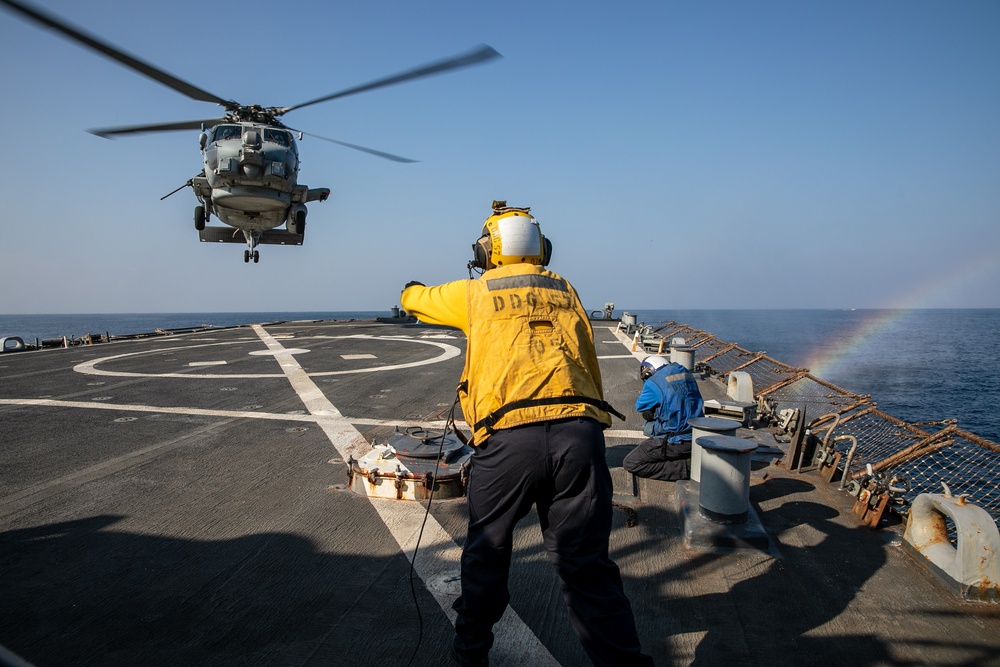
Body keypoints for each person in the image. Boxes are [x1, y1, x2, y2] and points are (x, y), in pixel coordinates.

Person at [401, 201, 653, 667]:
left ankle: (470, 654)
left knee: (487, 550)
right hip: (580, 435)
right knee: (587, 568)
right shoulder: (566, 289)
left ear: (487, 250)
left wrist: (411, 288)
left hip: (509, 438)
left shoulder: (476, 291)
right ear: (544, 250)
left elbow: (414, 299)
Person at [622, 355, 705, 481]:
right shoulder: (685, 372)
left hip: (675, 441)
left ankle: (685, 468)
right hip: (698, 436)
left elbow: (640, 406)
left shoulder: (653, 383)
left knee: (631, 462)